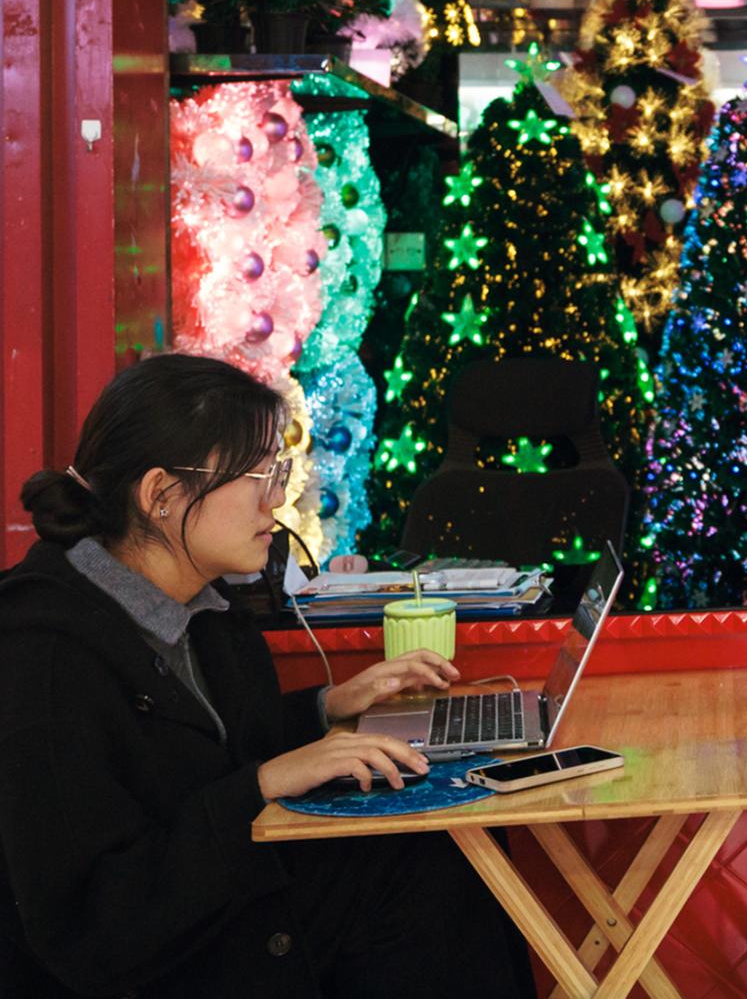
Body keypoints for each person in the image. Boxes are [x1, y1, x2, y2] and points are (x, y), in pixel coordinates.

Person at [0, 353, 533, 998]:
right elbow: (94, 926)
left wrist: (327, 706)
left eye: (278, 473)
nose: (278, 500)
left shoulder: (203, 606)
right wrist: (263, 783)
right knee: (423, 871)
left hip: (222, 908)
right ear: (162, 495)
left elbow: (204, 749)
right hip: (162, 963)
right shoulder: (44, 656)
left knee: (448, 841)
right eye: (259, 477)